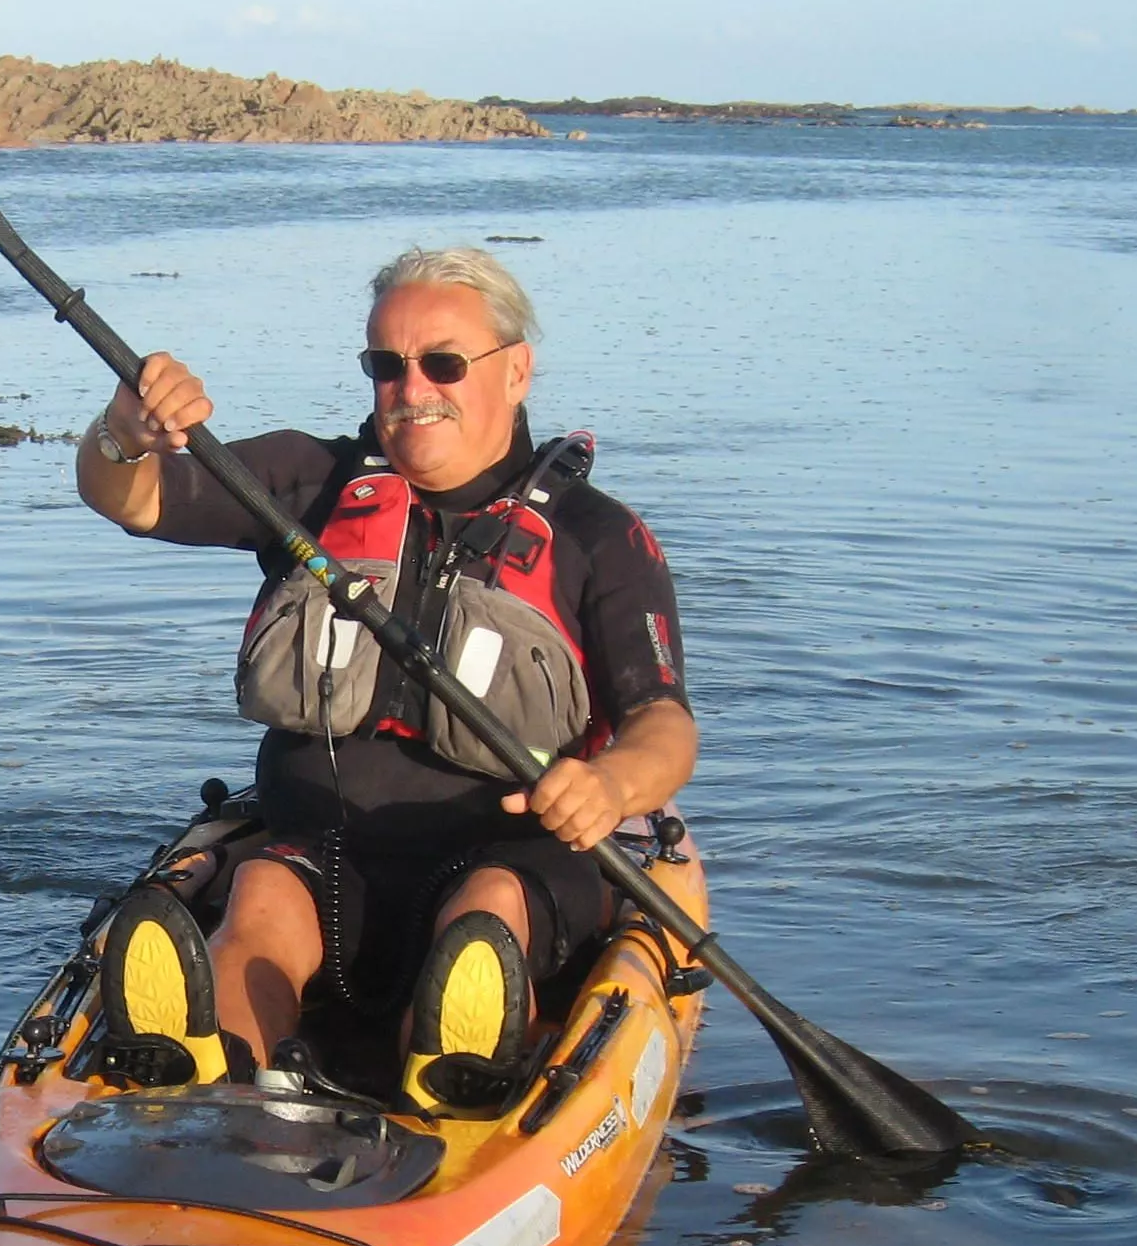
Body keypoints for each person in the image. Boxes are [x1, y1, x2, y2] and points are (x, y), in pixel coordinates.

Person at [73, 246, 696, 1114]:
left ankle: (453, 1075)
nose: (411, 388)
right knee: (259, 896)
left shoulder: (601, 538)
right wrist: (122, 434)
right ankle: (200, 1074)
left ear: (516, 371)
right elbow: (131, 499)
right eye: (386, 366)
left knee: (484, 919)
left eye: (443, 362)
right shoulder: (309, 485)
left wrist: (610, 783)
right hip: (320, 855)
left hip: (505, 858)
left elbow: (663, 725)